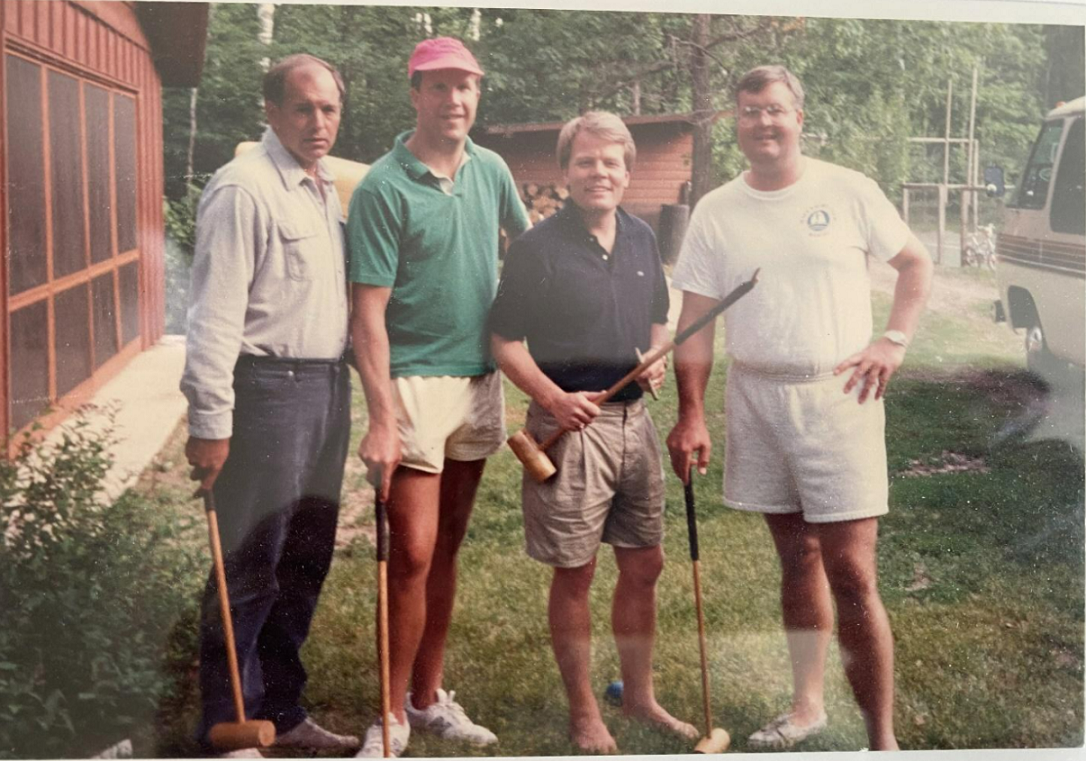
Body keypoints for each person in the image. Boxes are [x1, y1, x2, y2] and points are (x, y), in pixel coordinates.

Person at [666, 65, 933, 752]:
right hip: (757, 396)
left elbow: (914, 263)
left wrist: (893, 339)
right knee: (796, 559)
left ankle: (882, 739)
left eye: (775, 110)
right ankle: (808, 705)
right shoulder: (717, 209)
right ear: (735, 122)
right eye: (750, 111)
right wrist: (692, 411)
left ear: (799, 117)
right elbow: (694, 325)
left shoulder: (846, 190)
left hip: (838, 393)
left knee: (851, 570)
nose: (763, 122)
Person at [490, 111, 698, 753]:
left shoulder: (640, 238)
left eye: (611, 162)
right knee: (575, 572)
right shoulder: (535, 248)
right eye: (585, 162)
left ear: (628, 171)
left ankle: (638, 697)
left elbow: (660, 320)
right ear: (566, 171)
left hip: (635, 422)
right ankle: (585, 713)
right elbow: (502, 340)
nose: (598, 173)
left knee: (645, 563)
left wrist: (657, 352)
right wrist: (553, 397)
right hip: (569, 430)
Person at [346, 37, 531, 758]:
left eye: (468, 86)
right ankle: (388, 714)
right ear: (415, 92)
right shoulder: (384, 185)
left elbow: (533, 246)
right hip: (413, 382)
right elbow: (367, 314)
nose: (456, 100)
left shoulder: (491, 168)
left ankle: (428, 698)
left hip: (479, 377)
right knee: (414, 552)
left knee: (447, 546)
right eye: (441, 86)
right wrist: (382, 416)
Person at [181, 55, 359, 757]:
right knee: (252, 555)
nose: (319, 123)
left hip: (325, 386)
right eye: (303, 109)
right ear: (272, 110)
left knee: (305, 556)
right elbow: (212, 318)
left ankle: (282, 711)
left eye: (330, 109)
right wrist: (210, 424)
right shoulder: (242, 189)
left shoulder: (322, 188)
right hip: (266, 391)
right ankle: (229, 724)